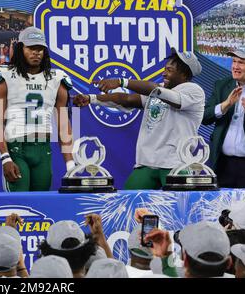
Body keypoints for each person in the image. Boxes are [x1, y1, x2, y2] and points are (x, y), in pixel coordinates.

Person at [73, 48, 204, 189]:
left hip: (177, 162)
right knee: (130, 201)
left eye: (169, 70)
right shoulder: (159, 88)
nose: (164, 73)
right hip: (147, 162)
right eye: (164, 69)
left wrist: (121, 82)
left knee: (179, 208)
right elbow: (127, 99)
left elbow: (159, 92)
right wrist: (91, 98)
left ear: (184, 74)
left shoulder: (193, 90)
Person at [0, 26, 74, 191]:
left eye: (40, 48)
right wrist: (5, 158)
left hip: (43, 150)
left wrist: (70, 164)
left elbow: (63, 124)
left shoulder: (56, 79)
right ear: (20, 48)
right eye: (31, 48)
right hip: (16, 149)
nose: (36, 52)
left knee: (40, 204)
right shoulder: (3, 75)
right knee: (18, 206)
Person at [202, 44, 245, 187]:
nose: (235, 66)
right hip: (223, 164)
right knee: (223, 208)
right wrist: (225, 105)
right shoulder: (222, 85)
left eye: (241, 62)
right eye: (234, 61)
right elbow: (205, 117)